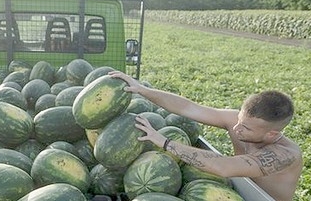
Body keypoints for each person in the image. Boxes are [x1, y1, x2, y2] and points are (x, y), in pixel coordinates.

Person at [109, 71, 302, 201]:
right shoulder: (240, 123)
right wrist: (142, 90)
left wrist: (164, 142)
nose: (236, 129)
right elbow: (189, 107)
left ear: (272, 133)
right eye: (239, 120)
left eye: (246, 128)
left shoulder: (284, 155)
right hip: (232, 192)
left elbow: (222, 166)